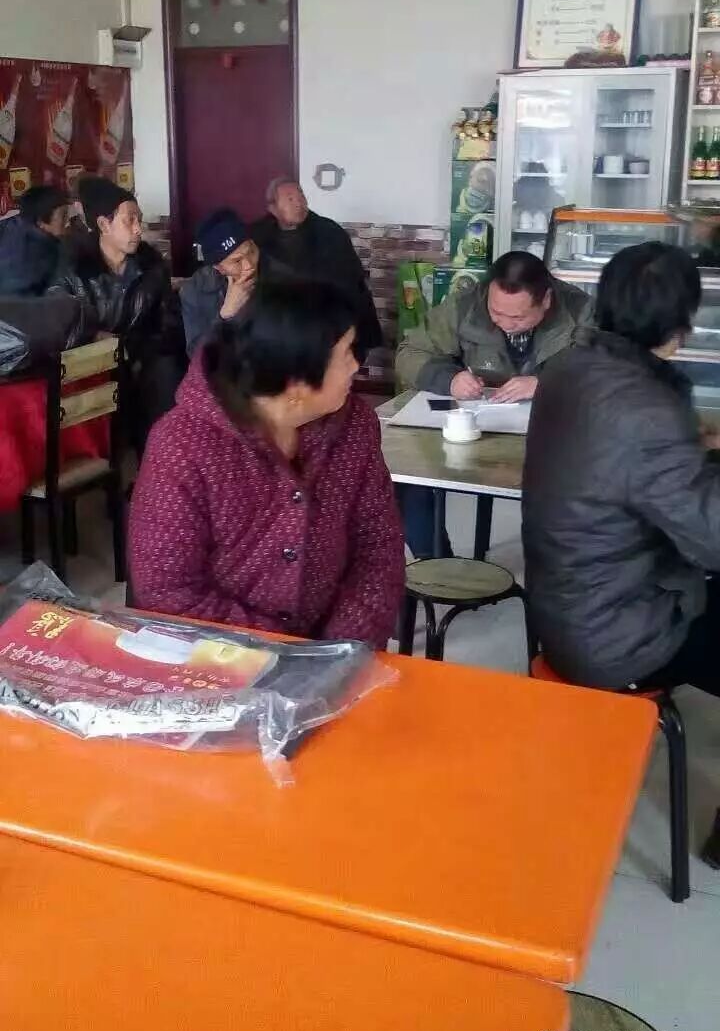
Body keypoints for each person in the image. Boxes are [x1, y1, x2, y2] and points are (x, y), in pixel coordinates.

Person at [522, 242, 720, 868]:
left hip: (558, 608)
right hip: (613, 635)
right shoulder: (650, 410)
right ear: (679, 327)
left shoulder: (567, 370)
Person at [129, 281, 404, 647]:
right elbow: (167, 590)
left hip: (335, 656)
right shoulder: (182, 445)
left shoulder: (354, 425)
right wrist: (284, 652)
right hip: (219, 659)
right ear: (296, 385)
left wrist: (341, 647)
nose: (357, 365)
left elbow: (378, 545)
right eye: (345, 356)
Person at [395, 251, 590, 558]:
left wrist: (547, 383)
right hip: (481, 425)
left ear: (546, 300)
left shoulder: (580, 312)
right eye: (496, 312)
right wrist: (449, 378)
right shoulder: (465, 306)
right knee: (407, 480)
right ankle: (437, 564)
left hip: (555, 435)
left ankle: (560, 569)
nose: (506, 324)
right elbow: (410, 353)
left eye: (518, 317)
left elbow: (610, 372)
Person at [50, 176, 186, 449]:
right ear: (104, 225)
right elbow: (57, 322)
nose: (138, 229)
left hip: (139, 359)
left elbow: (169, 325)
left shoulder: (151, 266)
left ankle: (158, 456)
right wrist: (95, 336)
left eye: (139, 220)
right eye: (129, 221)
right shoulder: (74, 267)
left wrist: (130, 349)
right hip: (91, 363)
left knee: (166, 367)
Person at [254, 178, 383, 357]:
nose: (299, 203)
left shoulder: (329, 232)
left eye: (301, 195)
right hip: (281, 328)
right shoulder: (259, 235)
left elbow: (348, 284)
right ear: (273, 209)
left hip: (327, 325)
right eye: (290, 199)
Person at [180, 208, 260, 356]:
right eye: (237, 261)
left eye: (251, 252)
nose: (249, 265)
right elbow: (196, 355)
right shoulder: (195, 290)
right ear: (219, 267)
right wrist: (225, 315)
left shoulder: (279, 275)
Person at [0, 186, 68, 297]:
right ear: (41, 221)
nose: (68, 222)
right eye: (63, 216)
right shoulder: (33, 254)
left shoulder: (12, 225)